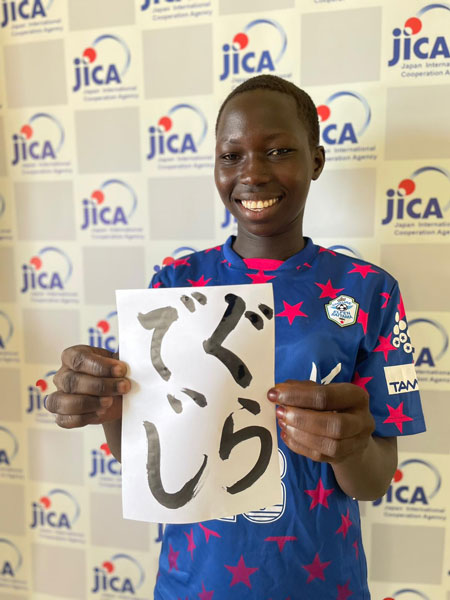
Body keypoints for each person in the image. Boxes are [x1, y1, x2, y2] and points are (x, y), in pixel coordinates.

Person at [47, 75, 425, 599]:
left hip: (321, 584)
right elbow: (144, 455)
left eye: (278, 150)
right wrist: (110, 406)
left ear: (316, 161)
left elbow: (376, 478)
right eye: (232, 155)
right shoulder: (174, 284)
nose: (252, 173)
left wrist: (350, 448)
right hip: (194, 582)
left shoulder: (368, 291)